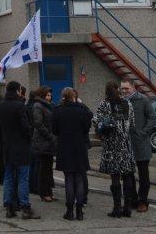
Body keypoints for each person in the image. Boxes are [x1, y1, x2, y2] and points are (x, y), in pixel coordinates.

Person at [0, 81, 39, 220]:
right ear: (17, 91)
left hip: (7, 146)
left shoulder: (0, 106)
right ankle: (25, 207)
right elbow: (26, 127)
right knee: (23, 178)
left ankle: (9, 207)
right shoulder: (20, 106)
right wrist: (29, 136)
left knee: (8, 177)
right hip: (21, 146)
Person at [95, 80, 136, 217]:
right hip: (125, 144)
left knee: (115, 177)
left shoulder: (104, 104)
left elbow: (96, 121)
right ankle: (128, 208)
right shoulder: (127, 103)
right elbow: (132, 123)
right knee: (127, 174)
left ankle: (117, 208)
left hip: (111, 144)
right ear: (118, 89)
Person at [52, 87, 92, 221]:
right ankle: (79, 211)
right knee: (79, 178)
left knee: (69, 179)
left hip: (65, 147)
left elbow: (55, 130)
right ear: (74, 96)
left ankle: (69, 211)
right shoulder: (81, 110)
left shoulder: (58, 110)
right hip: (79, 146)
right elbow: (87, 128)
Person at [122, 80, 156, 211]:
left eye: (126, 89)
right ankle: (133, 199)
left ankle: (143, 201)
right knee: (128, 174)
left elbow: (152, 117)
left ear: (133, 88)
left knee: (143, 174)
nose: (124, 91)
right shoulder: (121, 101)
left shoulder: (143, 100)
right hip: (126, 142)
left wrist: (143, 132)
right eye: (122, 89)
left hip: (140, 142)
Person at [30, 86, 57, 202]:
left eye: (50, 95)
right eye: (47, 95)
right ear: (42, 95)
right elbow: (38, 123)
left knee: (48, 167)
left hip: (49, 140)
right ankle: (43, 192)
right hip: (42, 140)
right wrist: (49, 136)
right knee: (43, 168)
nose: (49, 97)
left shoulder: (49, 106)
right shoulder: (38, 106)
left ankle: (49, 191)